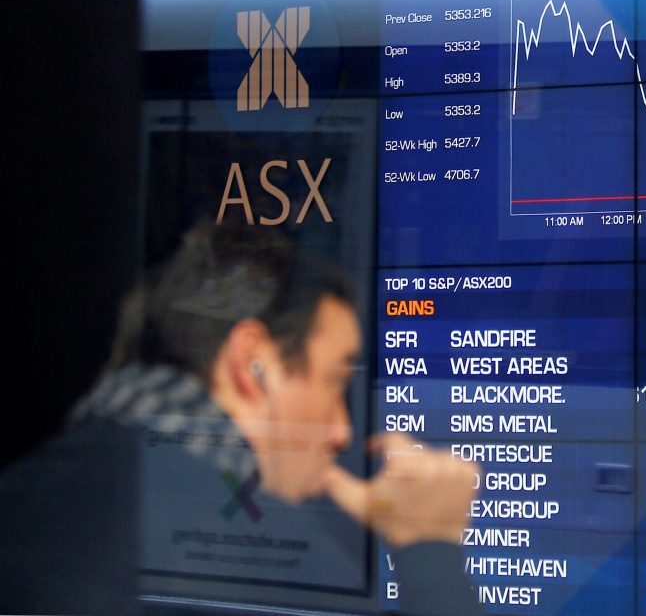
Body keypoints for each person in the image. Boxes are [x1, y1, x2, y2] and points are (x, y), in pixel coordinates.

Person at [0, 222, 483, 616]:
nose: (342, 431)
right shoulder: (229, 554)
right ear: (254, 364)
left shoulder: (33, 491)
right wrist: (430, 550)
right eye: (335, 381)